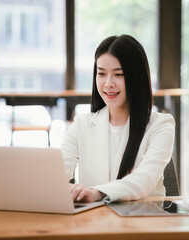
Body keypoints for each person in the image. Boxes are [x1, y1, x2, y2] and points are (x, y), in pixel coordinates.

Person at [60, 34, 175, 203]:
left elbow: (144, 180)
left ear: (136, 77)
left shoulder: (161, 125)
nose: (108, 83)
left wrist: (96, 193)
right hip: (94, 224)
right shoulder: (81, 124)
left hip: (144, 222)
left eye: (118, 74)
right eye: (101, 74)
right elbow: (56, 173)